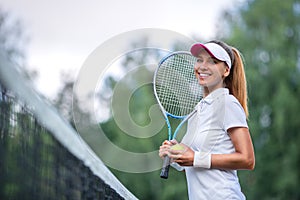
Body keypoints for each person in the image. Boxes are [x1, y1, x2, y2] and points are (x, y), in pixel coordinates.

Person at [159, 40, 255, 199]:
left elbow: (247, 159)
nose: (203, 66)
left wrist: (195, 158)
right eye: (199, 60)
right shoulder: (197, 112)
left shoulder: (228, 104)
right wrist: (173, 151)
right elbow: (190, 158)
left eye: (213, 61)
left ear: (226, 71)